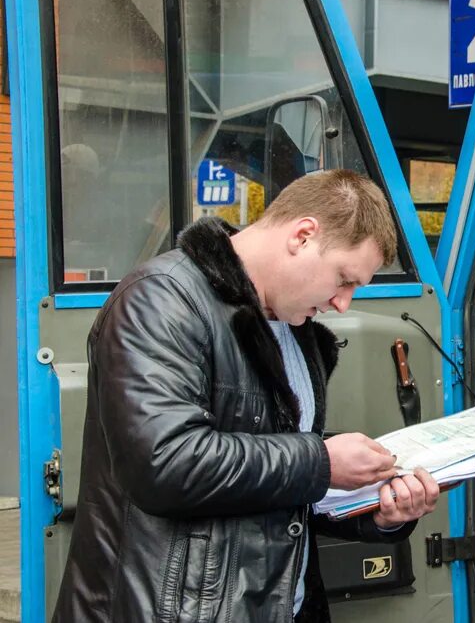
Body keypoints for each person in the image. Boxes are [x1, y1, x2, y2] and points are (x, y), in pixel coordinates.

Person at [53, 169, 441, 622]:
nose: (344, 303)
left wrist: (376, 508)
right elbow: (163, 463)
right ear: (302, 235)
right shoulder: (159, 299)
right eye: (344, 278)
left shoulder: (293, 328)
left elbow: (274, 477)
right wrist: (321, 462)